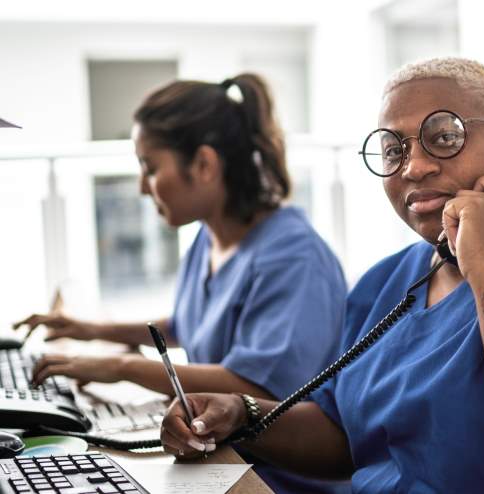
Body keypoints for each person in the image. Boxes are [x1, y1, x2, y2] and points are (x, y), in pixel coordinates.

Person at [159, 57, 484, 493]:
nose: (413, 167)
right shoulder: (385, 284)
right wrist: (243, 414)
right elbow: (350, 436)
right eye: (393, 149)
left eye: (444, 137)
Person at [14, 74, 349, 493]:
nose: (141, 186)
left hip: (275, 479)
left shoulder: (294, 258)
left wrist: (122, 368)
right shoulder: (213, 236)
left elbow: (255, 388)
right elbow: (192, 321)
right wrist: (93, 330)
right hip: (220, 455)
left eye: (150, 168)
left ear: (204, 165)